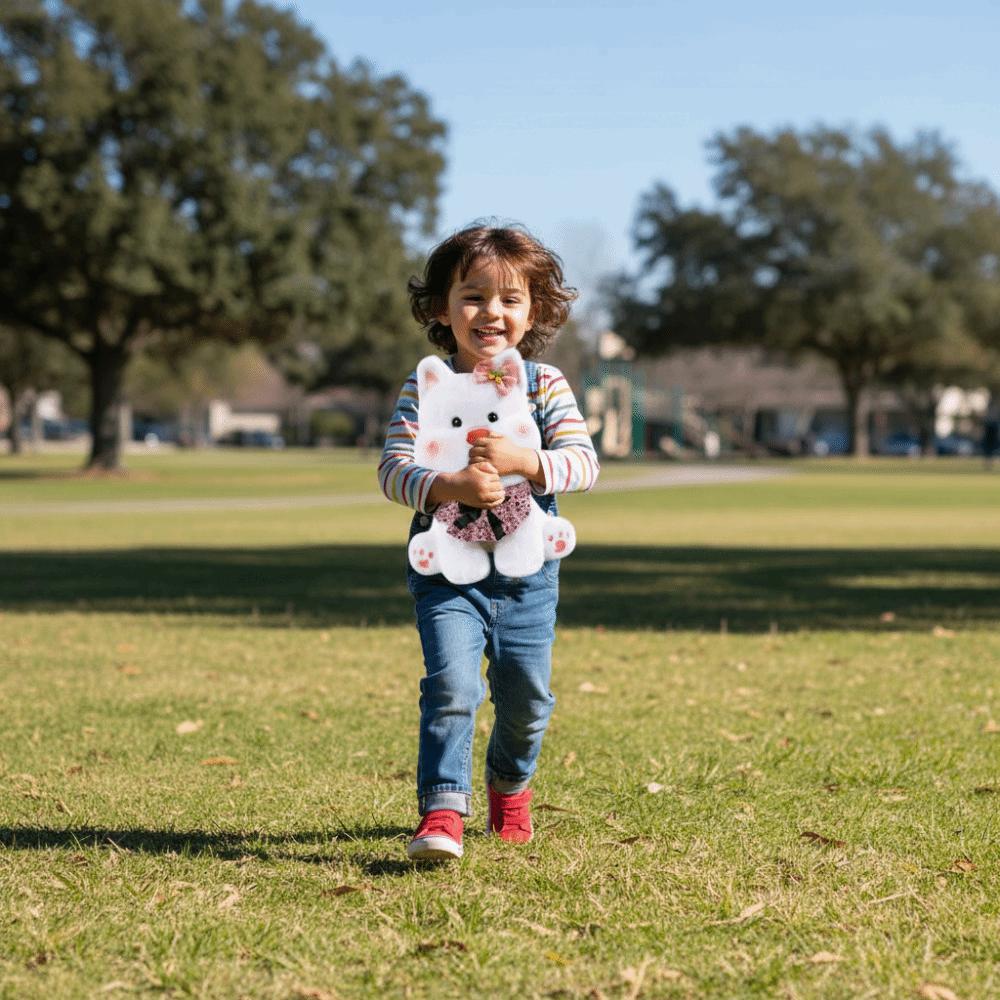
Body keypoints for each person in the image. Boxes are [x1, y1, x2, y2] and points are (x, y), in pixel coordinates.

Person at [378, 224, 600, 861]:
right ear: (443, 310)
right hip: (446, 572)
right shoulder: (425, 387)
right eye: (472, 297)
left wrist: (524, 460)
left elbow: (583, 464)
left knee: (526, 696)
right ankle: (443, 811)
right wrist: (447, 484)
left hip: (528, 576)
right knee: (452, 687)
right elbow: (393, 470)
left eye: (510, 299)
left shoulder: (544, 385)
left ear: (534, 312)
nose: (491, 313)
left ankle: (510, 782)